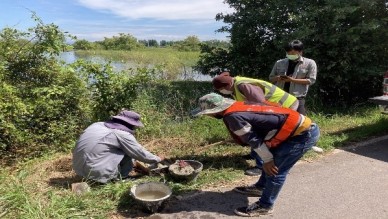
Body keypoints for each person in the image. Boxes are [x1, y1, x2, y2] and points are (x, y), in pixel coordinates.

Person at [191, 93, 320, 217]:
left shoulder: (232, 117)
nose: (208, 116)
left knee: (275, 170)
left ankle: (265, 206)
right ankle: (261, 187)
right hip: (295, 129)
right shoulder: (237, 105)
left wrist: (268, 159)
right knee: (269, 162)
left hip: (302, 135)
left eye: (208, 114)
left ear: (214, 111)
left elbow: (254, 140)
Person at [212, 72, 299, 176]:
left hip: (285, 106)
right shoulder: (234, 86)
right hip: (274, 108)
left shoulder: (243, 85)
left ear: (226, 85)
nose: (221, 92)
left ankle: (261, 166)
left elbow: (260, 104)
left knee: (259, 134)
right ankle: (254, 154)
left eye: (220, 90)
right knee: (253, 132)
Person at [72, 110, 164, 184]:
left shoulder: (96, 125)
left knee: (118, 148)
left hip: (79, 169)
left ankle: (97, 176)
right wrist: (158, 159)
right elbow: (139, 153)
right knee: (128, 152)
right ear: (131, 124)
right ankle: (121, 178)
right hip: (96, 173)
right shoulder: (122, 134)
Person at [269, 39, 323, 153]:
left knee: (303, 121)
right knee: (279, 122)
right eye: (288, 53)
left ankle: (310, 143)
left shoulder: (309, 63)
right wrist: (278, 78)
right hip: (280, 97)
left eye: (293, 53)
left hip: (297, 97)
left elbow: (311, 80)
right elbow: (271, 78)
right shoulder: (280, 62)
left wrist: (292, 80)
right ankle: (278, 145)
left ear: (300, 52)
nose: (290, 55)